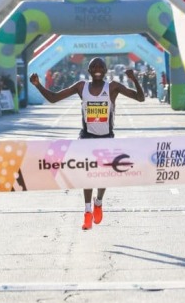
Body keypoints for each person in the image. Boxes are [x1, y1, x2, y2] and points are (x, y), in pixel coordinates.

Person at [30, 56, 145, 231]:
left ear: (105, 71)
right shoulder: (81, 87)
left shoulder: (113, 87)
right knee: (87, 175)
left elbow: (140, 98)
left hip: (106, 137)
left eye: (101, 66)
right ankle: (87, 211)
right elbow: (53, 98)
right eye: (94, 66)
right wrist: (38, 85)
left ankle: (98, 202)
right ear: (89, 71)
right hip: (86, 138)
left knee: (104, 176)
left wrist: (134, 79)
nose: (97, 68)